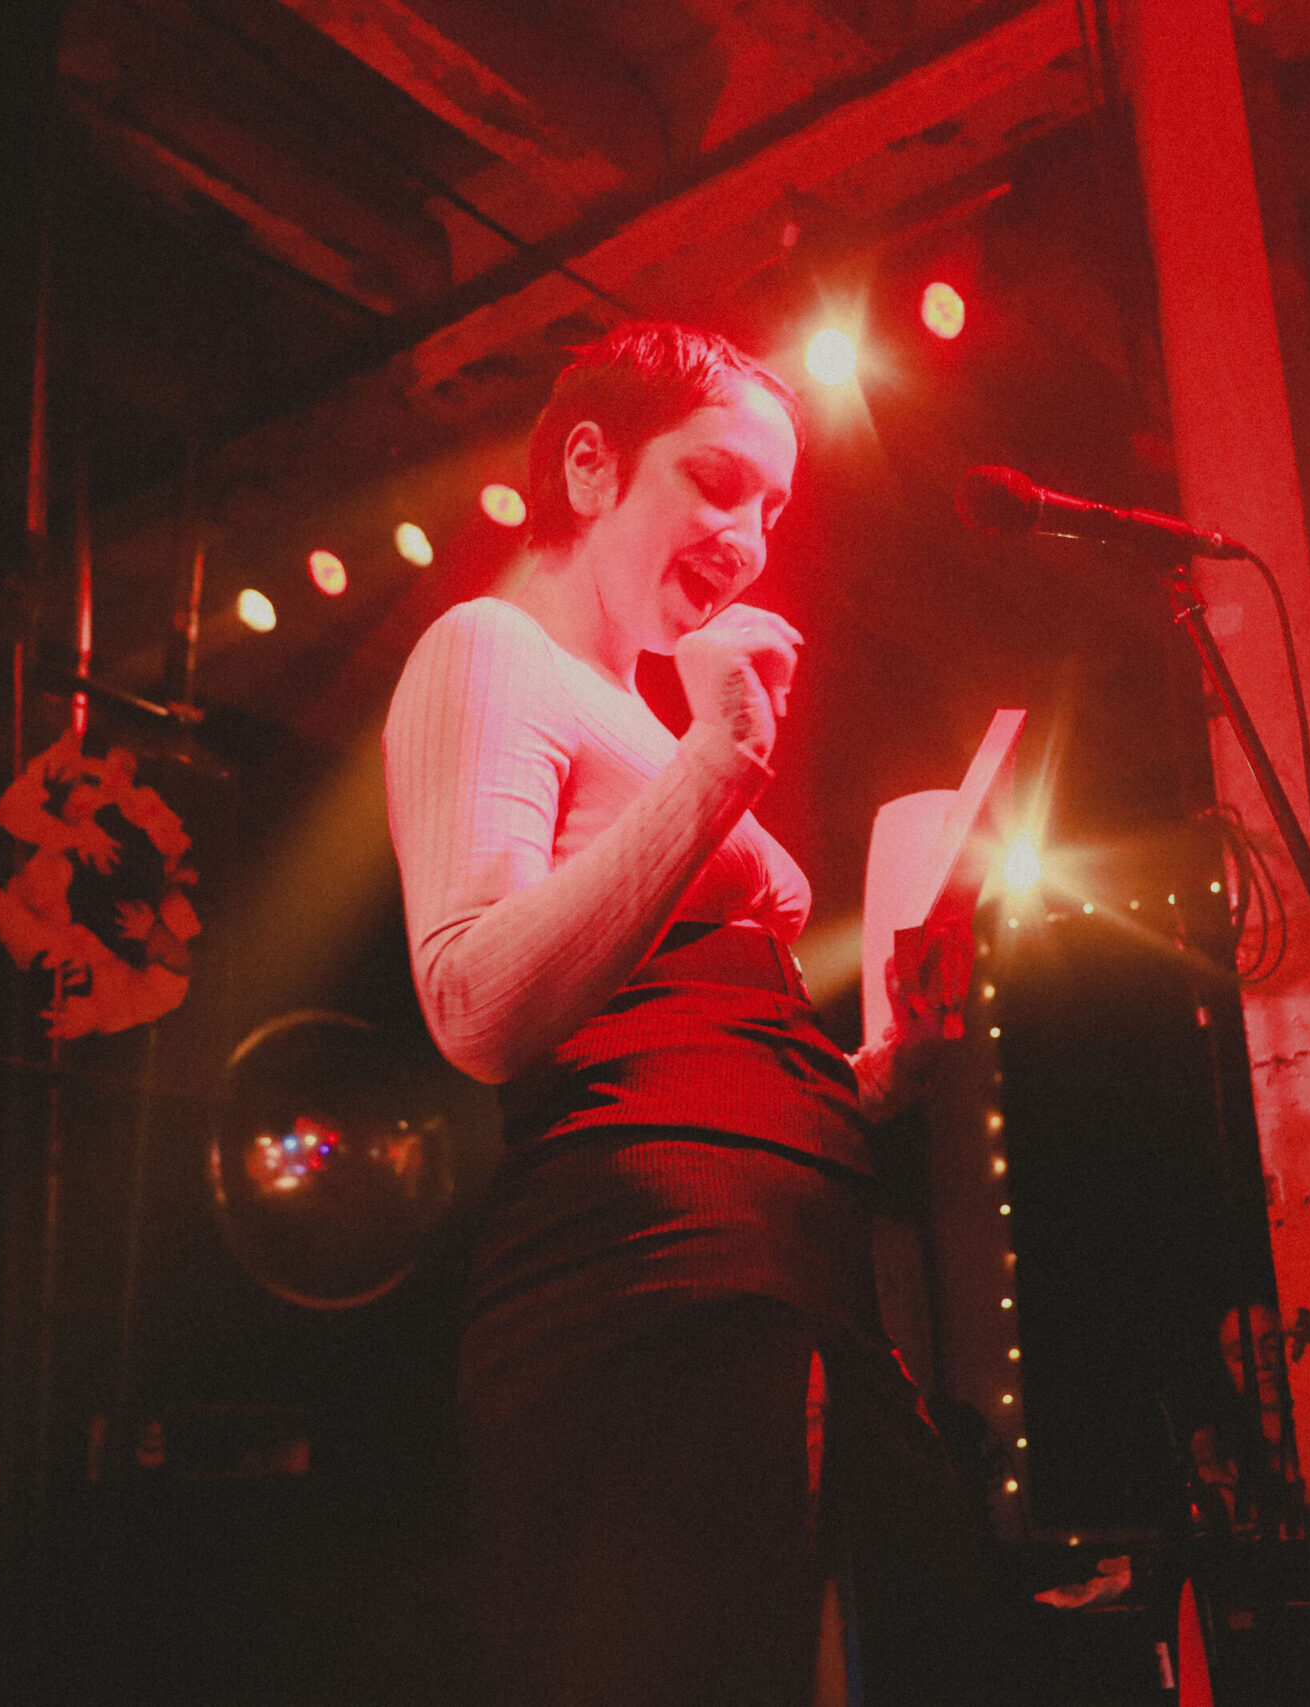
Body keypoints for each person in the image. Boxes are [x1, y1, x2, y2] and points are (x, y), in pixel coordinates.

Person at [382, 323, 994, 1707]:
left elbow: (694, 1031)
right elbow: (471, 1001)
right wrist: (721, 761)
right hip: (648, 1282)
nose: (750, 539)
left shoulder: (647, 717)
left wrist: (876, 1070)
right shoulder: (491, 650)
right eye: (718, 483)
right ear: (589, 468)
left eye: (773, 507)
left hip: (782, 1263)